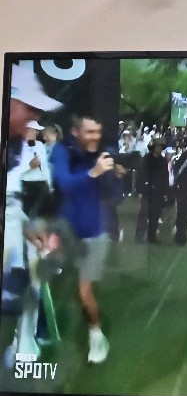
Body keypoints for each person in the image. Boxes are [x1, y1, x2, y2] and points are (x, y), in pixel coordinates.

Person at [50, 114, 124, 364]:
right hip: (64, 232)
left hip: (94, 233)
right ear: (75, 132)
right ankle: (35, 333)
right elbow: (65, 184)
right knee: (45, 281)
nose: (95, 137)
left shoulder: (103, 154)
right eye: (90, 132)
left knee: (83, 292)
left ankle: (96, 335)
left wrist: (114, 176)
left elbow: (116, 196)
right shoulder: (62, 151)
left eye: (98, 132)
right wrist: (93, 172)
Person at [2, 64, 62, 363]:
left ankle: (24, 346)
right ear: (10, 101)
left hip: (22, 210)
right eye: (29, 107)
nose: (35, 116)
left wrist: (28, 226)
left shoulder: (18, 144)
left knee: (31, 278)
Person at [134, 137, 169, 244]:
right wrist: (139, 190)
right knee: (143, 214)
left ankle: (152, 236)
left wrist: (165, 191)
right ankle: (139, 236)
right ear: (153, 147)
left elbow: (165, 176)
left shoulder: (163, 161)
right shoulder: (147, 159)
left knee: (155, 215)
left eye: (160, 147)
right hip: (147, 190)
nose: (159, 148)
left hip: (158, 191)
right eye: (157, 146)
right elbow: (140, 175)